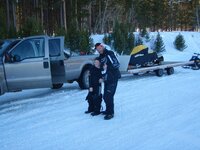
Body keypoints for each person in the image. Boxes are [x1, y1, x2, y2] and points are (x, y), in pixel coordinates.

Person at [95, 43, 120, 120]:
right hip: (106, 79)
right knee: (105, 96)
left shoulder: (109, 53)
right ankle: (108, 110)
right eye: (96, 49)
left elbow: (116, 64)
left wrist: (107, 66)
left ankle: (110, 113)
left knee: (109, 96)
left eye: (99, 48)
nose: (98, 49)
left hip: (113, 78)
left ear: (102, 47)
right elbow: (100, 67)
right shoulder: (100, 57)